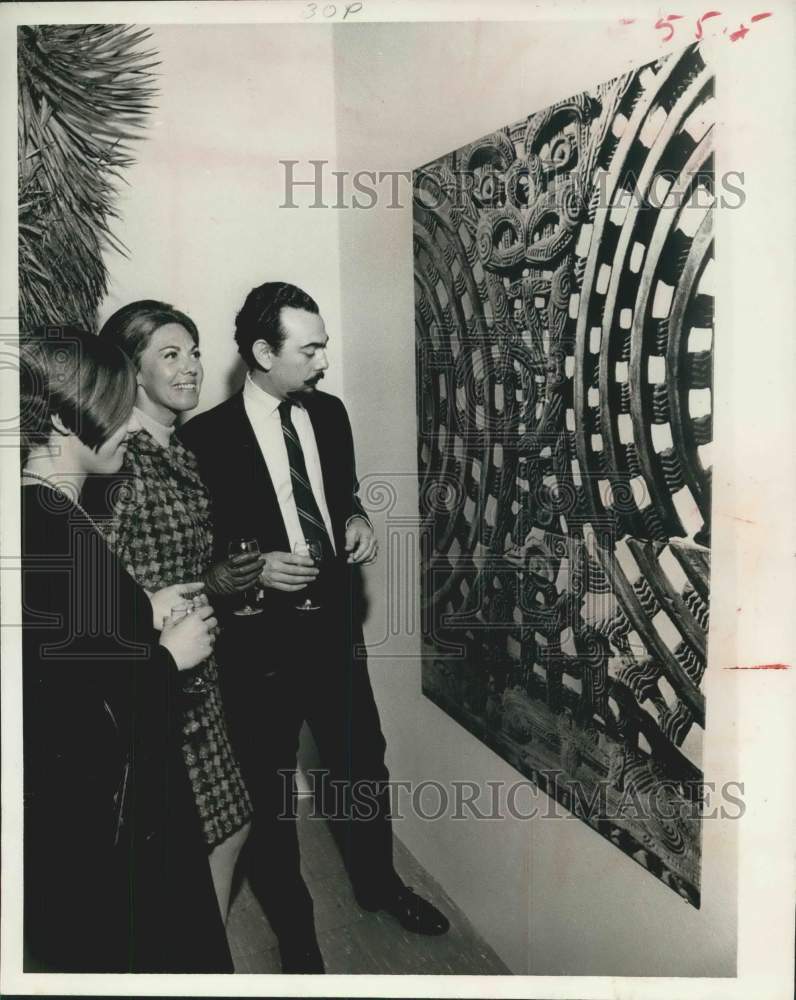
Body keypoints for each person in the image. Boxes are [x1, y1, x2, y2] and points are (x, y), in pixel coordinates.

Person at [180, 282, 450, 974]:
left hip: (333, 634)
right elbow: (191, 557)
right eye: (311, 348)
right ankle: (297, 932)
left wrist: (356, 518)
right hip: (256, 649)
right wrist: (253, 569)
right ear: (263, 353)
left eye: (323, 345)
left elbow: (341, 494)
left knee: (362, 765)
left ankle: (379, 884)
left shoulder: (328, 413)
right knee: (270, 794)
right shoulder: (201, 439)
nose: (325, 361)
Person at [20, 328, 231, 972]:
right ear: (60, 418)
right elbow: (77, 713)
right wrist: (171, 655)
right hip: (101, 825)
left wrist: (142, 608)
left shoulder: (41, 514)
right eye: (115, 407)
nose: (127, 423)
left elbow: (70, 652)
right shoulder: (56, 531)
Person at [94, 300, 262, 921]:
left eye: (193, 351)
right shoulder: (121, 462)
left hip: (198, 673)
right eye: (171, 355)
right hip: (160, 675)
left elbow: (179, 567)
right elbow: (98, 586)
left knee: (223, 831)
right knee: (214, 833)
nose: (191, 366)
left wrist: (222, 584)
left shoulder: (179, 450)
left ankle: (193, 956)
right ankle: (195, 963)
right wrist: (154, 617)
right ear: (133, 373)